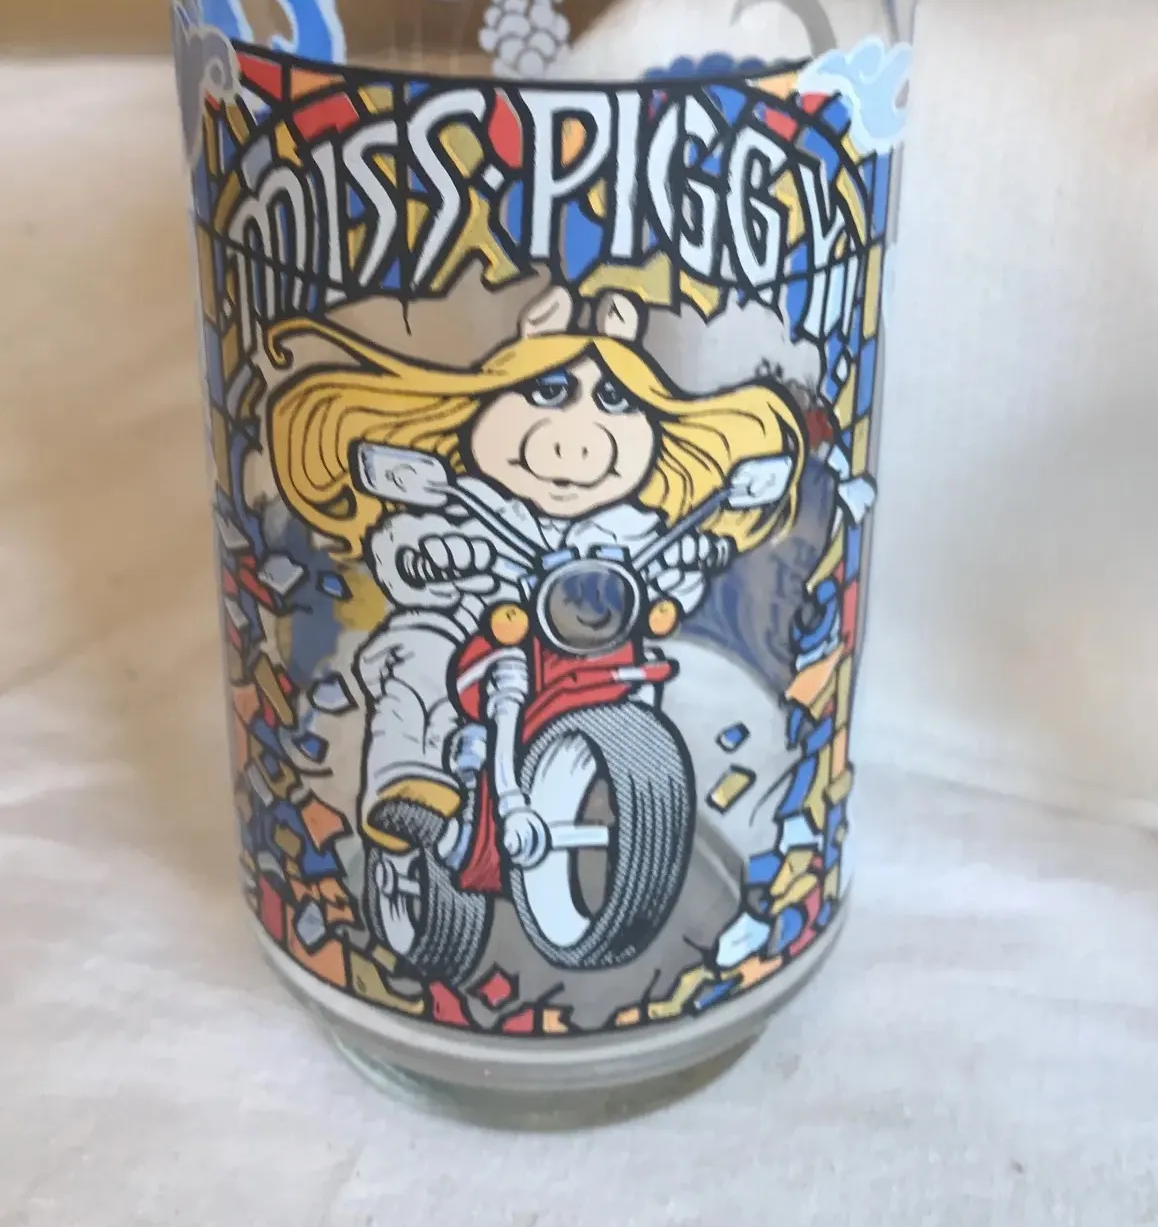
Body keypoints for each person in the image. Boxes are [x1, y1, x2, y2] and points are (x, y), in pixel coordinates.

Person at [264, 287, 805, 849]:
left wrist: (688, 557)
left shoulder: (628, 523)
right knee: (418, 651)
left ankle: (634, 796)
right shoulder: (464, 501)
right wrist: (433, 558)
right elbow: (403, 548)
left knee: (677, 670)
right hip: (476, 622)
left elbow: (660, 564)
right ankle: (407, 777)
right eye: (548, 392)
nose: (579, 443)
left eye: (615, 400)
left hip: (583, 633)